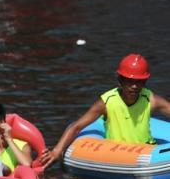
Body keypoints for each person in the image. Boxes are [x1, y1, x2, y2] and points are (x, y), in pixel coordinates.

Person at [42, 54, 170, 168]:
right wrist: (56, 152)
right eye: (129, 81)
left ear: (145, 82)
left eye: (139, 82)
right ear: (120, 80)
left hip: (149, 152)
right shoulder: (106, 102)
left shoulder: (150, 99)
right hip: (118, 154)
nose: (134, 86)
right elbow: (76, 127)